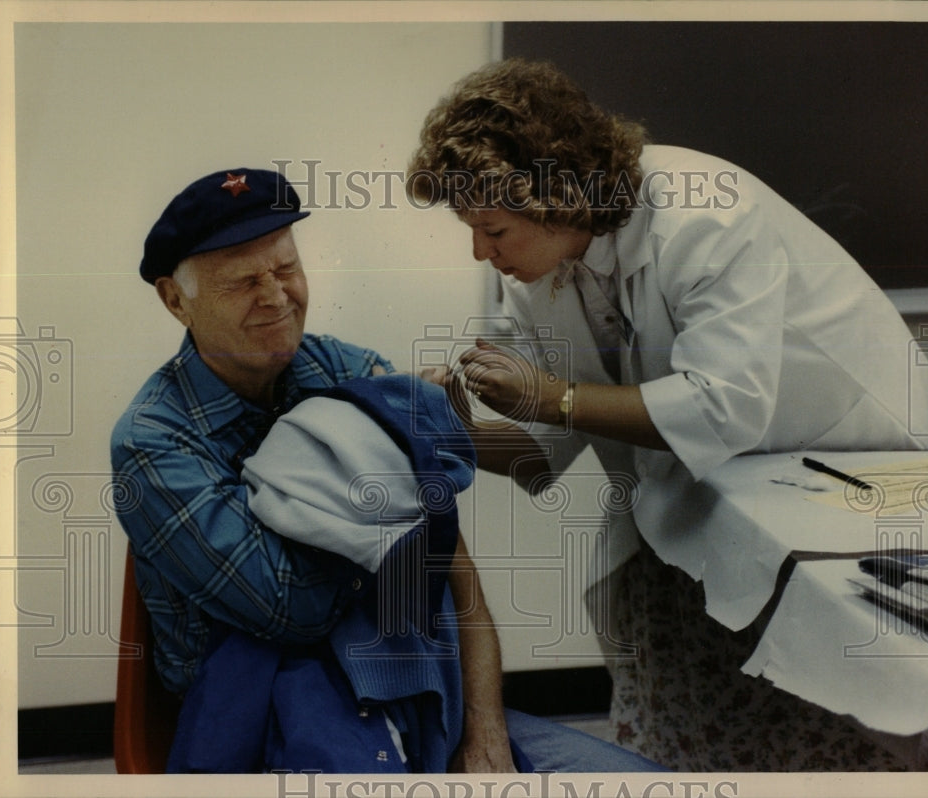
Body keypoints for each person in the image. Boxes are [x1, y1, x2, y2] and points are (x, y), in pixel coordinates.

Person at [407, 59, 928, 771]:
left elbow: (722, 408)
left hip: (854, 473)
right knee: (674, 687)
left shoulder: (705, 213)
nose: (482, 251)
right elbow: (539, 455)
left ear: (558, 196)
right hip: (712, 488)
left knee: (837, 714)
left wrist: (552, 395)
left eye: (493, 229)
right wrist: (454, 429)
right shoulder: (540, 276)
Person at [111, 167, 665, 774]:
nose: (274, 296)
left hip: (412, 686)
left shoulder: (344, 368)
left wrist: (485, 732)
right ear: (174, 299)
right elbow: (289, 610)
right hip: (255, 719)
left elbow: (454, 573)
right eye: (241, 281)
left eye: (287, 268)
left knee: (641, 782)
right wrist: (392, 467)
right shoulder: (154, 442)